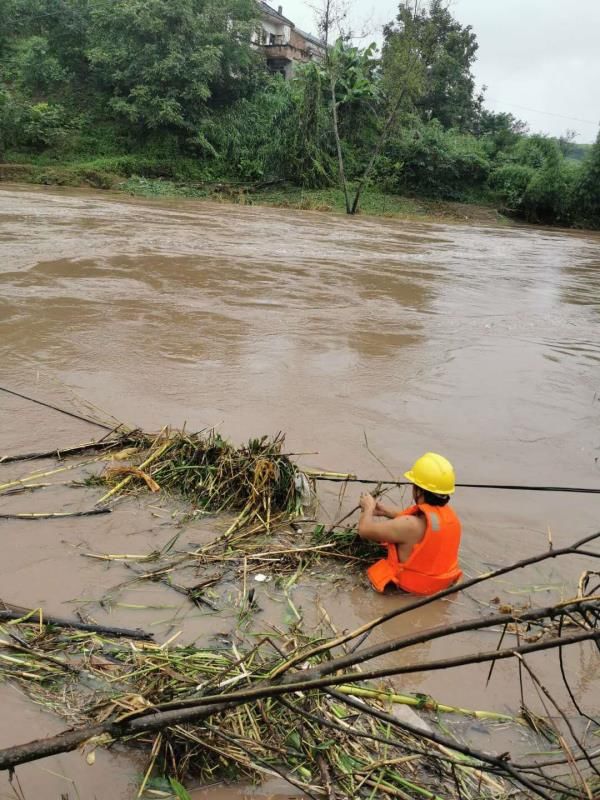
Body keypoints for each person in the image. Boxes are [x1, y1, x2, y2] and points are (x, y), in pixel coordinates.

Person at [358, 452, 462, 595]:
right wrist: (386, 511)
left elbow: (364, 530)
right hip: (441, 587)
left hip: (407, 593)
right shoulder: (450, 518)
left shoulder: (409, 526)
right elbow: (419, 524)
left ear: (419, 491)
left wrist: (368, 507)